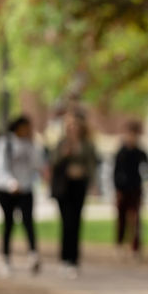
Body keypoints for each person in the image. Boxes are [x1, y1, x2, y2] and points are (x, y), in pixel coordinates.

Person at [0, 116, 44, 277]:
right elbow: (1, 167)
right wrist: (11, 183)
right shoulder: (5, 143)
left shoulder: (30, 144)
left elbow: (37, 165)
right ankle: (6, 258)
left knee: (28, 221)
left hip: (25, 188)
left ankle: (33, 254)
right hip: (7, 189)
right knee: (8, 223)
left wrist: (34, 144)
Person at [50, 109, 99, 278]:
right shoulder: (61, 143)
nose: (72, 128)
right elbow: (53, 163)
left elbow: (92, 165)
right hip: (64, 187)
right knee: (66, 222)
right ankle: (64, 259)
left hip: (79, 185)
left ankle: (74, 260)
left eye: (75, 125)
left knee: (76, 222)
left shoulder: (87, 144)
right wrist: (64, 154)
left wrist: (93, 184)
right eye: (69, 125)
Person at [112, 120, 148, 260]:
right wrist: (117, 189)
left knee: (135, 219)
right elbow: (115, 172)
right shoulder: (121, 152)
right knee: (122, 218)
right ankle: (119, 243)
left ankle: (135, 247)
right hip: (123, 189)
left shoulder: (140, 152)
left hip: (135, 189)